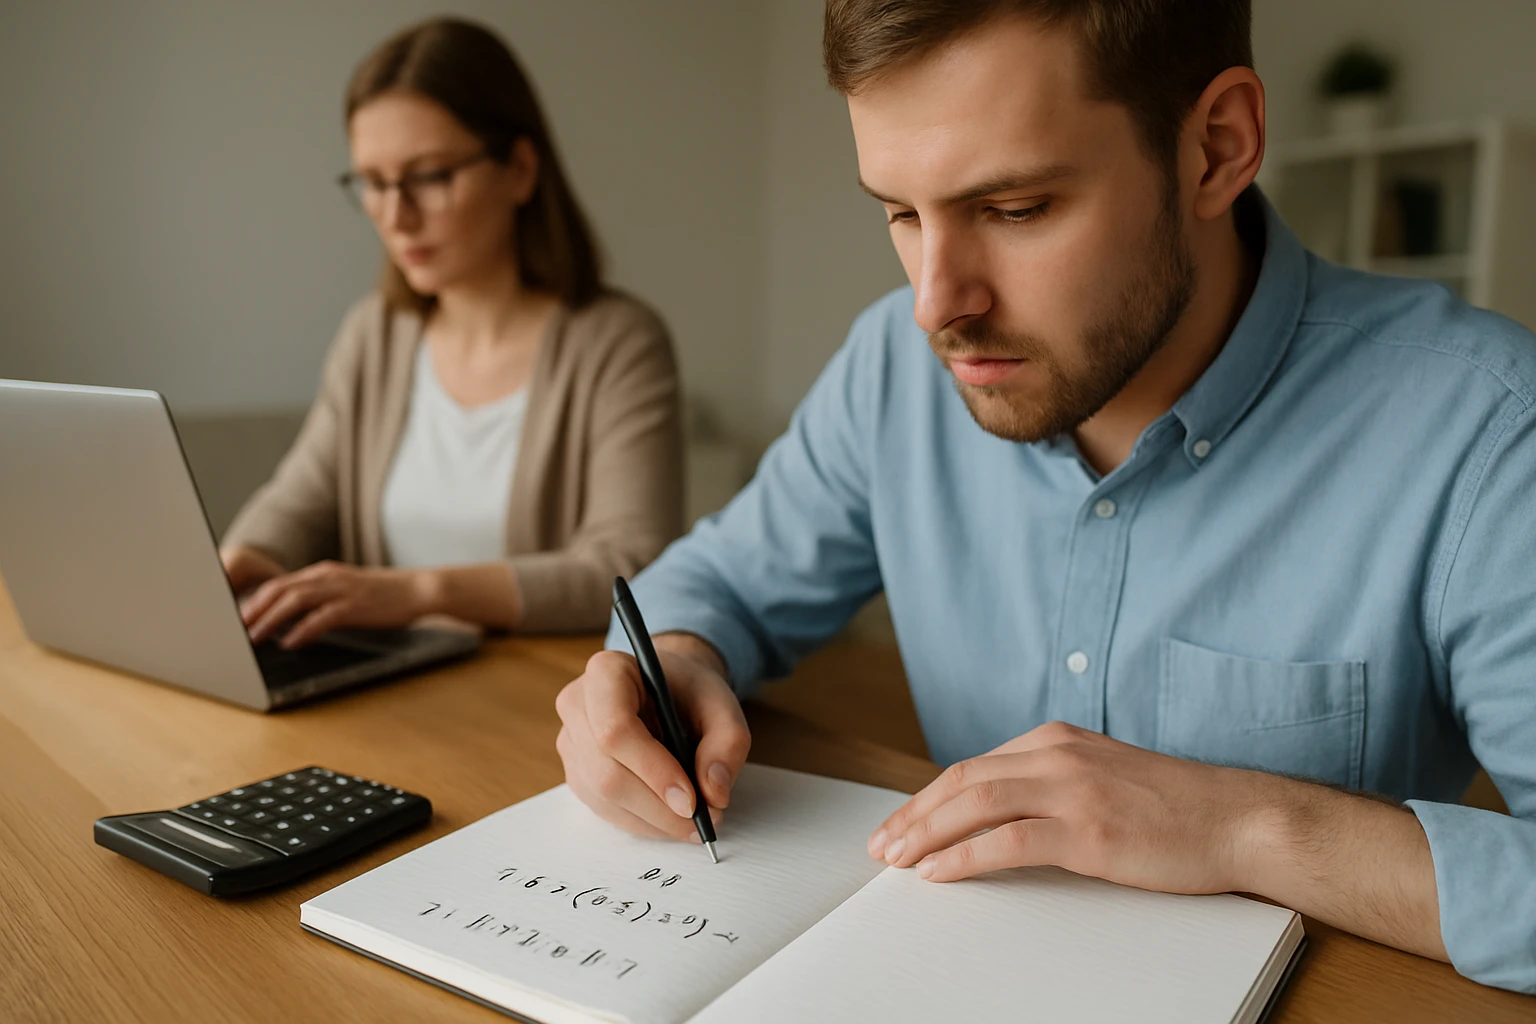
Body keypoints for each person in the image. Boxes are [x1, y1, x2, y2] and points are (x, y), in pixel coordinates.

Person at [553, 0, 1536, 995]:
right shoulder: (892, 370)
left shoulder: (1489, 432)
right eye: (899, 212)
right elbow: (719, 578)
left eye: (1014, 209)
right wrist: (669, 660)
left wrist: (1242, 824)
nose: (937, 302)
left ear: (1217, 148)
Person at [220, 18, 684, 645]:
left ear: (519, 169)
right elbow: (301, 497)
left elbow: (628, 565)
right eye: (373, 183)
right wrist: (241, 559)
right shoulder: (374, 335)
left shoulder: (618, 343)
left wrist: (417, 592)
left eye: (431, 176)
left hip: (544, 706)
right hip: (395, 691)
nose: (395, 216)